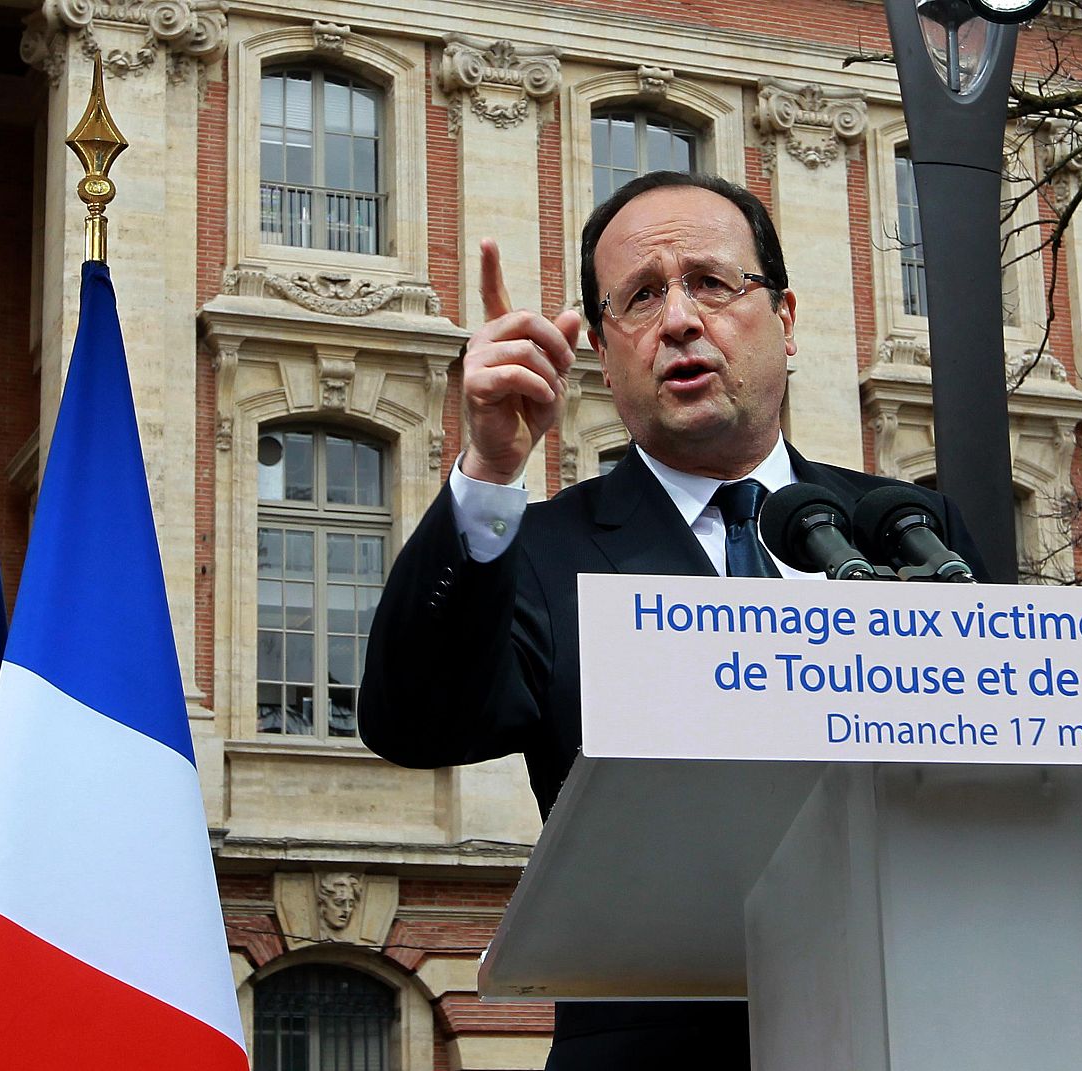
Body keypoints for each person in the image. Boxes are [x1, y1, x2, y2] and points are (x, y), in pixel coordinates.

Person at [358, 171, 983, 1070]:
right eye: (641, 297)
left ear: (788, 319)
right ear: (605, 360)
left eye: (712, 283)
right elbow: (413, 720)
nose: (681, 320)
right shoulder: (537, 550)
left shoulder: (906, 527)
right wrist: (489, 471)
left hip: (921, 1028)